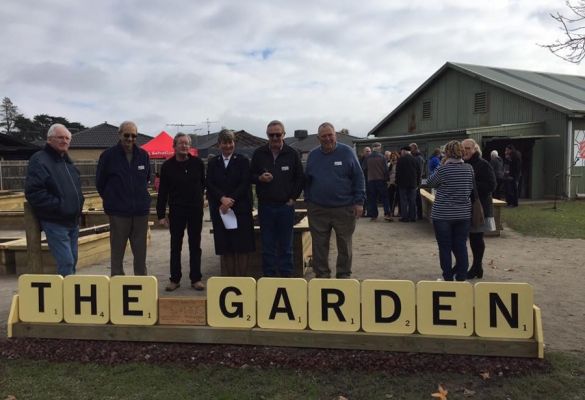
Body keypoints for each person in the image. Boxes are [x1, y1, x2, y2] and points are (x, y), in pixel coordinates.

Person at [304, 122, 365, 279]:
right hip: (318, 209)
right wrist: (308, 200)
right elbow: (307, 180)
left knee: (344, 244)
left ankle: (344, 275)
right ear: (318, 138)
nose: (327, 138)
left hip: (344, 208)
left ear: (335, 135)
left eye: (330, 135)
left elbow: (359, 177)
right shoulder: (313, 155)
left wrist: (359, 202)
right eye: (323, 136)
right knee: (319, 246)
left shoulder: (347, 152)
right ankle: (322, 275)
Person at [25, 123, 85, 276]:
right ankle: (66, 296)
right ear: (49, 139)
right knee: (66, 262)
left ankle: (70, 293)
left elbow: (77, 189)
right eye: (60, 137)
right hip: (55, 222)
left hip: (72, 222)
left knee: (73, 260)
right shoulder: (40, 160)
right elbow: (34, 193)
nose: (64, 141)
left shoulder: (68, 162)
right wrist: (60, 206)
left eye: (67, 138)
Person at [96, 121, 151, 276]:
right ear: (120, 135)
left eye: (134, 136)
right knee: (117, 252)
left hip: (140, 212)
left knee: (141, 254)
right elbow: (100, 183)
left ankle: (141, 282)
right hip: (118, 213)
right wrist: (112, 201)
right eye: (126, 135)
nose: (130, 139)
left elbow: (146, 178)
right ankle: (117, 284)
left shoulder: (143, 155)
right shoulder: (108, 156)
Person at [250, 120, 304, 277]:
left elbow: (300, 178)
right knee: (268, 246)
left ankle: (286, 277)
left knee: (286, 246)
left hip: (285, 207)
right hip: (266, 206)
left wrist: (293, 198)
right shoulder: (259, 153)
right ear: (267, 135)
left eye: (277, 134)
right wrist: (260, 178)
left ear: (284, 135)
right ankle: (270, 277)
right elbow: (250, 175)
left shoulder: (292, 153)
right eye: (271, 135)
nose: (274, 137)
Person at [156, 133, 206, 291]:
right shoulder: (167, 166)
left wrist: (203, 200)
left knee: (195, 245)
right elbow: (163, 192)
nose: (184, 146)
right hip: (177, 210)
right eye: (181, 143)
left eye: (187, 143)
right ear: (174, 145)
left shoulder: (198, 163)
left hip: (195, 210)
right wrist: (161, 215)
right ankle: (175, 279)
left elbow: (203, 184)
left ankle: (196, 278)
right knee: (175, 245)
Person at [206, 129, 255, 276]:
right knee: (226, 247)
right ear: (219, 144)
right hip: (221, 210)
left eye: (230, 142)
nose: (227, 146)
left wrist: (230, 200)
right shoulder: (213, 162)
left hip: (240, 209)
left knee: (242, 247)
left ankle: (242, 279)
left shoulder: (243, 160)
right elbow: (210, 183)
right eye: (224, 143)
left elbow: (245, 183)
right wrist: (222, 199)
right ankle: (231, 278)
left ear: (234, 143)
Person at [426, 140, 474, 281]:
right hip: (463, 213)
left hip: (443, 214)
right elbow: (470, 187)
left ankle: (447, 277)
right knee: (461, 246)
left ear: (446, 153)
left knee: (445, 247)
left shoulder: (443, 169)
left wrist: (441, 165)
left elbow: (430, 182)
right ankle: (461, 277)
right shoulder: (469, 169)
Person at [462, 139, 497, 279]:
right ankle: (477, 267)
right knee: (473, 238)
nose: (465, 150)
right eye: (463, 148)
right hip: (468, 207)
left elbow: (492, 185)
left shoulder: (483, 164)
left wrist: (471, 186)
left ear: (475, 149)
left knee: (477, 238)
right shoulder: (464, 164)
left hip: (480, 207)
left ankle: (477, 266)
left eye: (468, 148)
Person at [364, 143, 391, 221]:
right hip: (381, 180)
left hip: (371, 180)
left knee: (372, 199)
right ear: (378, 148)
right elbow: (386, 170)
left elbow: (364, 169)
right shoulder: (382, 157)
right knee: (385, 198)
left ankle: (374, 216)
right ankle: (387, 214)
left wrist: (368, 177)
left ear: (372, 148)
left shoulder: (367, 158)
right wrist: (387, 180)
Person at [395, 145, 420, 222]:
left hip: (402, 184)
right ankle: (412, 217)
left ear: (404, 151)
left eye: (401, 151)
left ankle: (405, 217)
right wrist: (417, 183)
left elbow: (398, 173)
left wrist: (397, 182)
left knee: (404, 201)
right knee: (412, 201)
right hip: (413, 183)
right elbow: (419, 172)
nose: (401, 153)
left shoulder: (400, 160)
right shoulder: (415, 160)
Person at [410, 143, 425, 220]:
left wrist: (418, 183)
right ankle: (418, 215)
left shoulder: (418, 158)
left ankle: (419, 215)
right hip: (415, 180)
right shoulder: (415, 157)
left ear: (415, 148)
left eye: (411, 148)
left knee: (417, 199)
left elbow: (420, 171)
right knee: (416, 198)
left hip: (416, 181)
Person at [386, 151, 399, 219]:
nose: (393, 157)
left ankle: (399, 212)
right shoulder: (389, 164)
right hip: (390, 183)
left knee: (397, 198)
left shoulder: (399, 164)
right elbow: (387, 173)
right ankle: (391, 211)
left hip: (397, 183)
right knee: (391, 198)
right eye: (392, 156)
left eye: (394, 156)